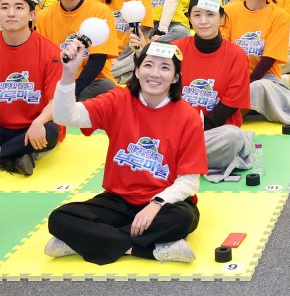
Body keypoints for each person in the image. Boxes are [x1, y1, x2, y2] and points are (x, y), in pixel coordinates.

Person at [46, 40, 207, 265]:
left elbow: (189, 181)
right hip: (119, 200)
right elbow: (65, 117)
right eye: (148, 65)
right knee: (59, 219)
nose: (155, 74)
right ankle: (144, 250)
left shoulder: (188, 116)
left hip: (163, 203)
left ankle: (85, 241)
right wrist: (68, 74)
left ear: (176, 78)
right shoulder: (118, 100)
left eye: (165, 68)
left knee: (184, 218)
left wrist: (156, 204)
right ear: (137, 70)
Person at [131, 0, 254, 182]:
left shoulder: (236, 54)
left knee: (233, 137)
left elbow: (230, 105)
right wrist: (139, 54)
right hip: (174, 131)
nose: (203, 21)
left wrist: (192, 132)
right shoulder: (176, 49)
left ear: (222, 17)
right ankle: (179, 159)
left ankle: (166, 160)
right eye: (197, 15)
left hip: (213, 131)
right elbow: (151, 85)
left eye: (210, 14)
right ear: (189, 18)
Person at [222, 0, 290, 125]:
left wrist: (246, 84)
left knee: (256, 89)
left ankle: (223, 118)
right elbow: (222, 49)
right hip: (232, 75)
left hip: (262, 77)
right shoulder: (229, 11)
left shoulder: (279, 16)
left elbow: (268, 59)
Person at [35, 0, 119, 101]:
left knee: (105, 87)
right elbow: (44, 60)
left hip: (91, 82)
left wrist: (72, 91)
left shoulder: (100, 12)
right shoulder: (43, 16)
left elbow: (97, 60)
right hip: (58, 80)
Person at [0, 0, 61, 175]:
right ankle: (15, 158)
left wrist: (39, 121)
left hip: (32, 127)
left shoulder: (50, 51)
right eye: (4, 7)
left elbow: (56, 101)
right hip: (2, 127)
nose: (11, 13)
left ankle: (6, 154)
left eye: (19, 7)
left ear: (32, 15)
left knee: (50, 131)